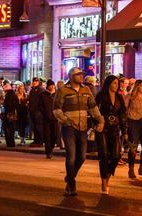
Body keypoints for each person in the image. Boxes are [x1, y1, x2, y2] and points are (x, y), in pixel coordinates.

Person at [53, 67, 105, 196]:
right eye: (78, 74)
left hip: (83, 127)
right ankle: (72, 185)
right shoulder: (62, 90)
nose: (81, 76)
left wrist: (100, 120)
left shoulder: (86, 90)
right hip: (69, 127)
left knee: (81, 157)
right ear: (71, 76)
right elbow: (56, 109)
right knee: (71, 156)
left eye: (82, 74)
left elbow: (93, 107)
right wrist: (65, 120)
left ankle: (70, 177)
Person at [95, 75, 127, 194]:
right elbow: (94, 111)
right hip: (103, 128)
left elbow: (123, 114)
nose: (116, 85)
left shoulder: (119, 97)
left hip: (115, 129)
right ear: (108, 83)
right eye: (114, 83)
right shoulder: (101, 96)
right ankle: (104, 182)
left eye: (117, 83)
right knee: (103, 155)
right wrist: (96, 124)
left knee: (116, 156)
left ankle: (107, 177)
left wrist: (125, 131)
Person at [125, 79, 142, 179]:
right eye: (141, 85)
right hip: (133, 122)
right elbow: (124, 108)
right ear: (137, 86)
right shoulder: (130, 96)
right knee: (133, 147)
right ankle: (131, 169)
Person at [42, 81, 59, 159]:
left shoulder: (57, 94)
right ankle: (48, 151)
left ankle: (51, 147)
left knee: (55, 135)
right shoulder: (43, 95)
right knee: (47, 135)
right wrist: (44, 114)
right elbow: (40, 106)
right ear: (47, 86)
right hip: (46, 119)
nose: (52, 87)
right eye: (50, 86)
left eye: (53, 85)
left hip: (55, 118)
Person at [28, 78, 45, 147]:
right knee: (34, 127)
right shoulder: (32, 90)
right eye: (34, 81)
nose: (34, 82)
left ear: (38, 82)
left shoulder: (41, 90)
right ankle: (36, 141)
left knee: (39, 127)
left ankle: (40, 142)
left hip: (38, 111)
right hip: (32, 111)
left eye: (36, 81)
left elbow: (42, 101)